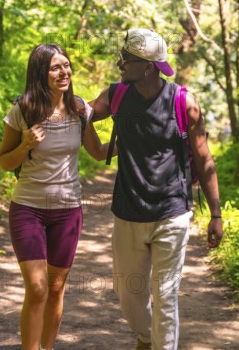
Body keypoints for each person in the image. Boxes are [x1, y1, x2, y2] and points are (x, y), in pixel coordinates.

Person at [90, 29, 224, 350]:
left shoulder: (183, 102)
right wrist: (40, 101)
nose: (120, 63)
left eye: (127, 59)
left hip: (172, 213)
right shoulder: (116, 95)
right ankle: (145, 337)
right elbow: (80, 112)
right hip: (128, 210)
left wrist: (216, 214)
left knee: (165, 297)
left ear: (148, 66)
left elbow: (204, 159)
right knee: (127, 294)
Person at [0, 44, 108, 350]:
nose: (64, 72)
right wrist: (25, 145)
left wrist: (133, 139)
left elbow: (98, 153)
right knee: (37, 287)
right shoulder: (22, 111)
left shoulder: (80, 110)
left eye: (67, 65)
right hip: (28, 209)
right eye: (56, 67)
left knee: (56, 287)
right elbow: (4, 161)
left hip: (68, 211)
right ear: (40, 74)